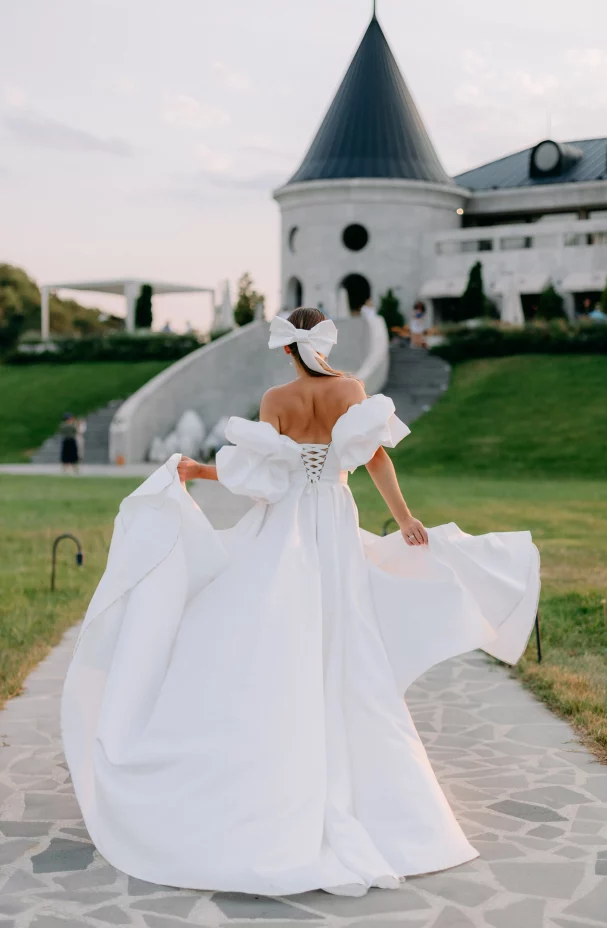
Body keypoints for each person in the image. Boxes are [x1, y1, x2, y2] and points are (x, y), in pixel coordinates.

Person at [62, 306, 540, 896]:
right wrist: (405, 519)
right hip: (335, 522)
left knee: (266, 633)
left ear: (288, 348)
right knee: (345, 641)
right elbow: (375, 458)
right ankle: (388, 805)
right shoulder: (353, 391)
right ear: (325, 343)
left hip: (285, 526)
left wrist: (196, 471)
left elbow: (260, 478)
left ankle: (263, 769)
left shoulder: (276, 400)